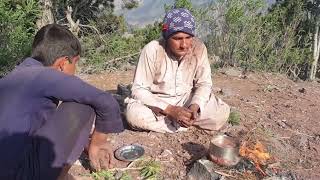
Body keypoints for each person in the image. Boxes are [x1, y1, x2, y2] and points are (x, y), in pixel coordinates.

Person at [0, 24, 124, 180]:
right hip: (18, 174)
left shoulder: (13, 76)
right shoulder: (43, 76)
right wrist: (98, 142)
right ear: (63, 63)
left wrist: (83, 141)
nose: (75, 69)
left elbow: (35, 127)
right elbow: (104, 100)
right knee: (83, 105)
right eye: (75, 62)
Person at [125, 8, 230, 133]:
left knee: (221, 113)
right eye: (177, 38)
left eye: (188, 37)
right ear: (167, 37)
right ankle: (180, 124)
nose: (184, 45)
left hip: (186, 100)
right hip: (158, 102)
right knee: (134, 115)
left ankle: (176, 122)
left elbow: (204, 84)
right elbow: (139, 89)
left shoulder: (199, 48)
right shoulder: (152, 49)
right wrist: (170, 110)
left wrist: (194, 108)